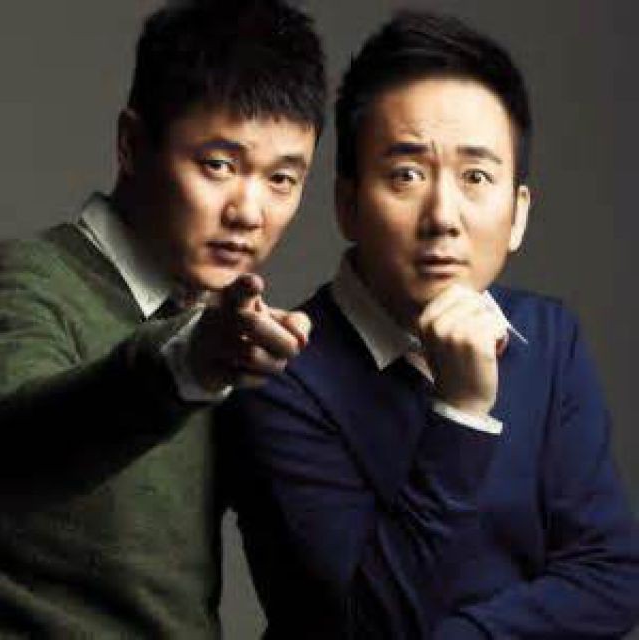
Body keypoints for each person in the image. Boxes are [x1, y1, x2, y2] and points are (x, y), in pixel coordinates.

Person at [220, 10, 639, 639]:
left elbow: (612, 579)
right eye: (407, 175)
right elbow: (369, 626)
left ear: (518, 215)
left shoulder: (549, 339)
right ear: (348, 204)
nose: (443, 216)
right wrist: (462, 413)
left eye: (477, 177)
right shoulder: (278, 372)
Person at [0, 0, 325, 636]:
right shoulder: (28, 280)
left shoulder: (238, 337)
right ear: (131, 144)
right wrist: (187, 365)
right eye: (219, 165)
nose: (249, 211)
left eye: (283, 179)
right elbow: (14, 445)